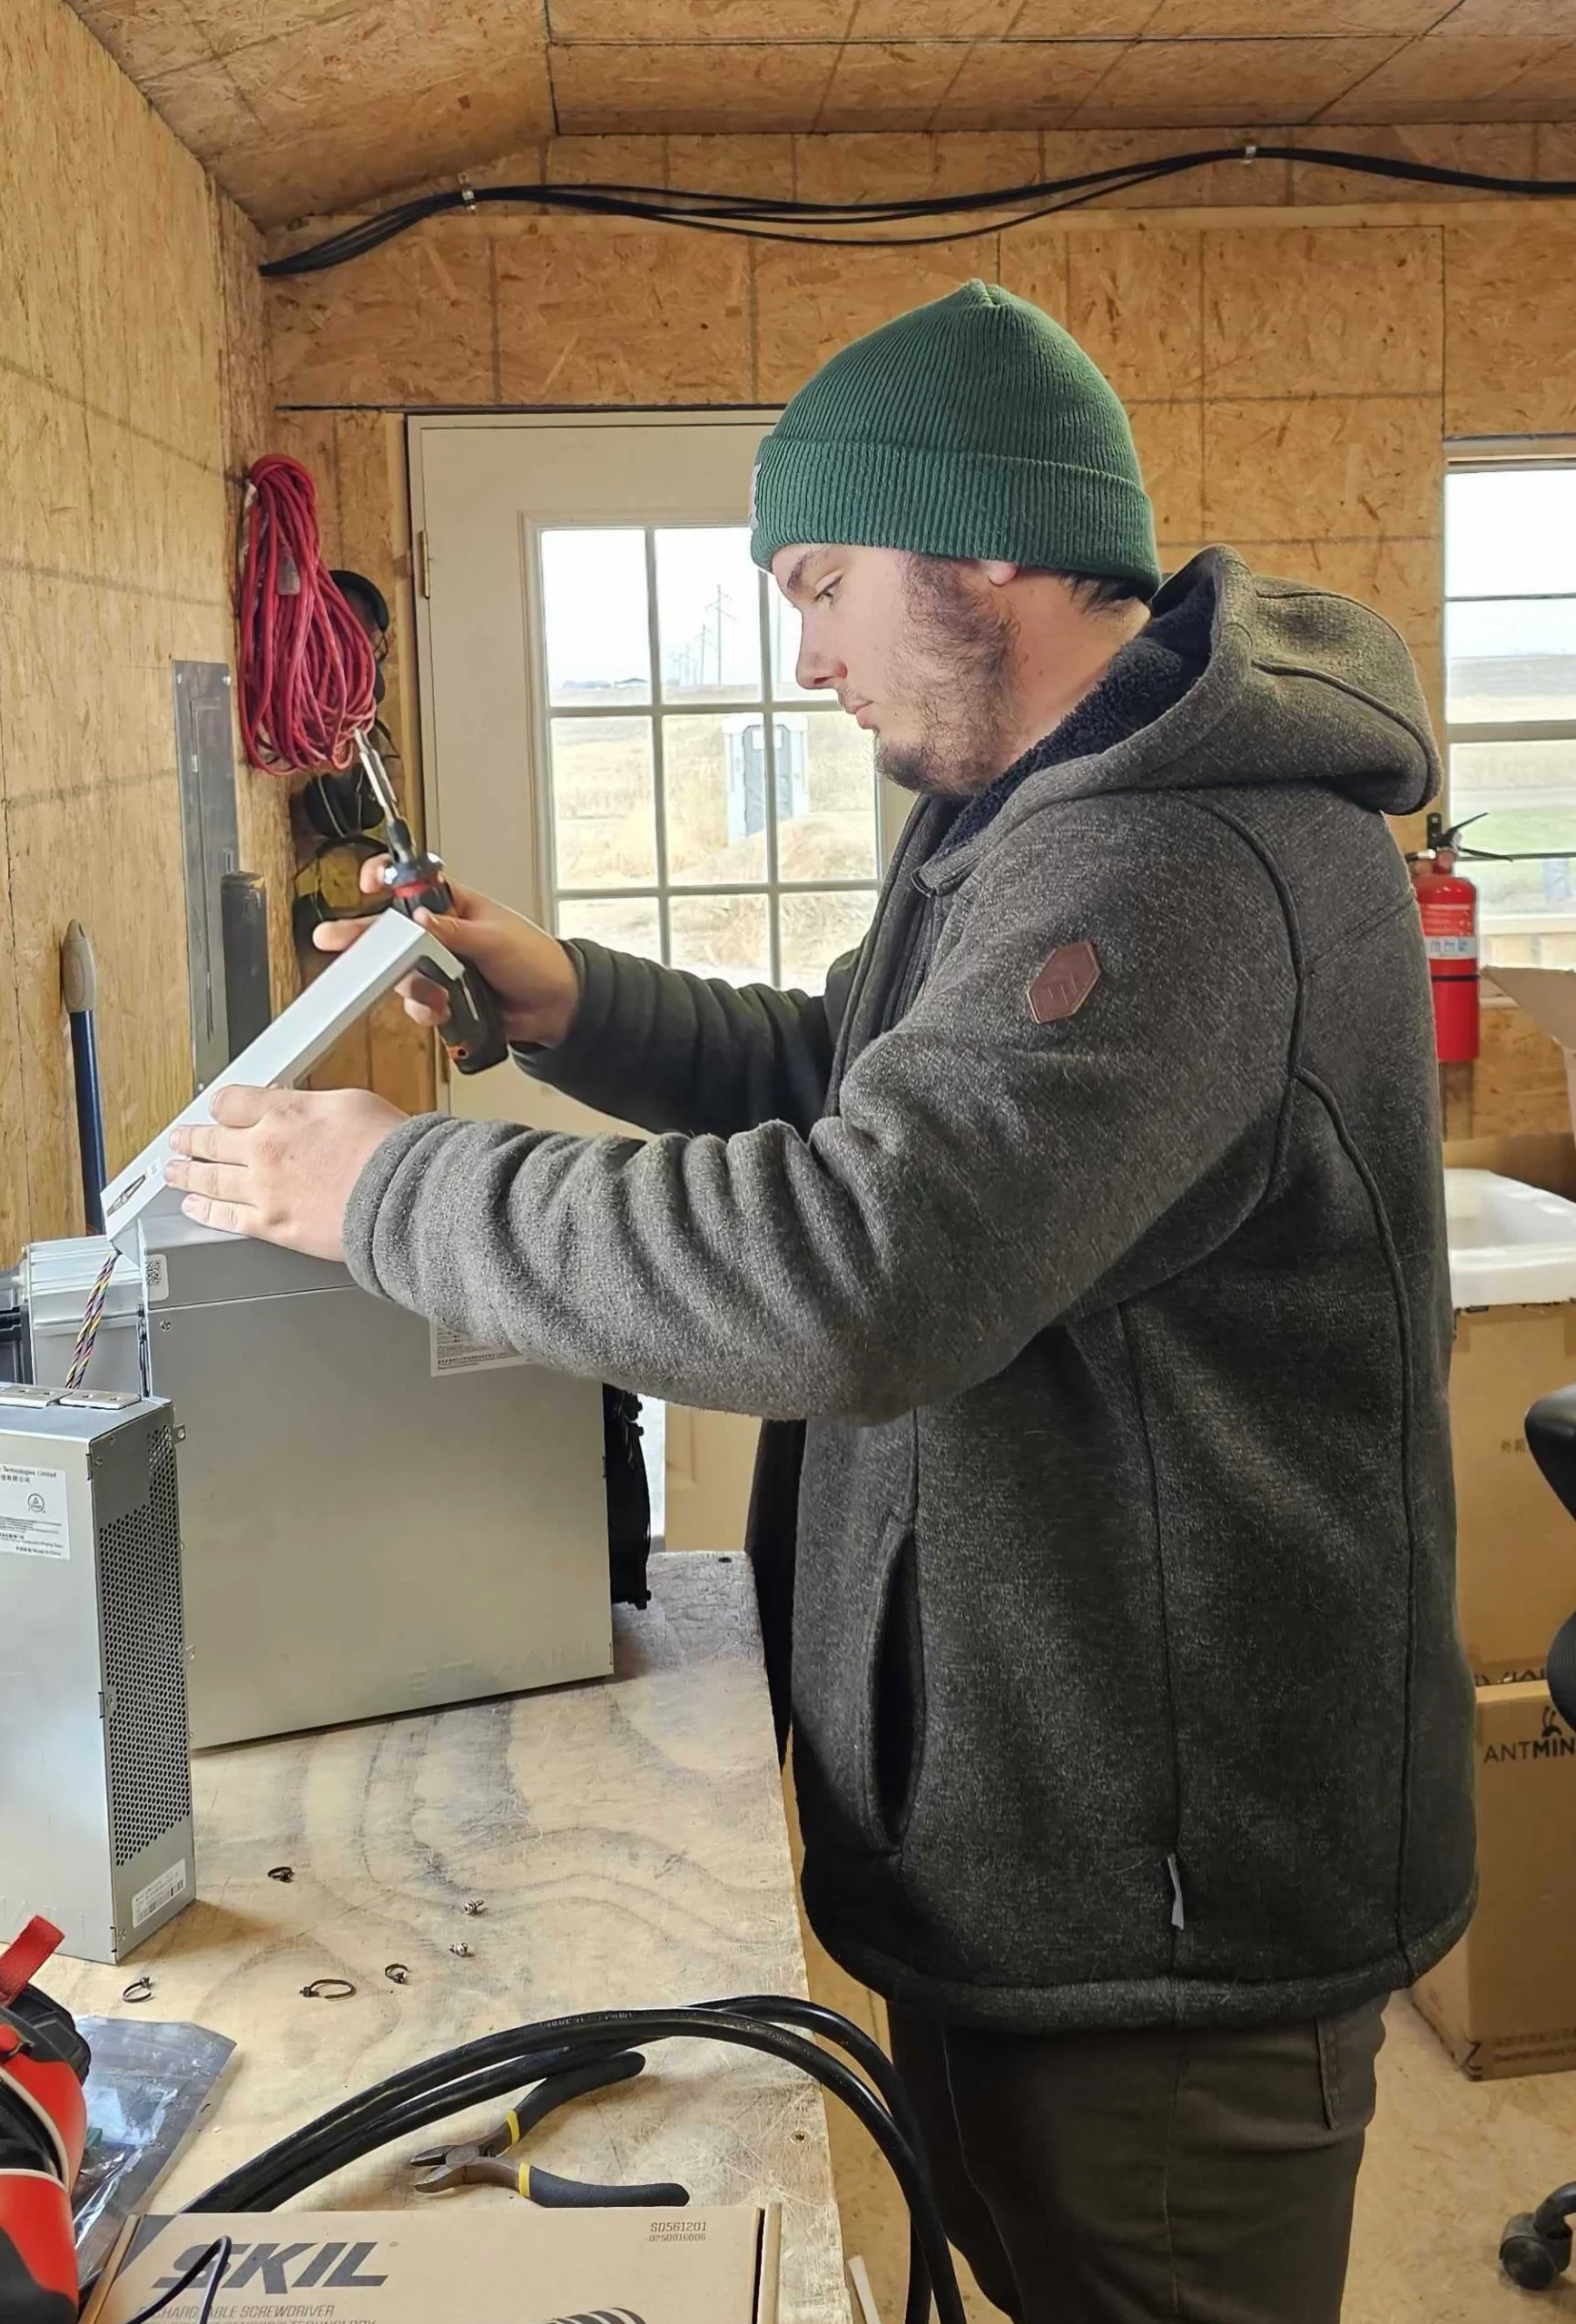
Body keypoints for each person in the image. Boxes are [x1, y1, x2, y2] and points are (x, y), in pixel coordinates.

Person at [163, 281, 1474, 2322]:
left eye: (820, 585)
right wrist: (571, 1000)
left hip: (1167, 1887)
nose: (805, 657)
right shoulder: (1019, 816)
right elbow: (861, 1082)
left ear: (982, 544)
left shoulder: (1181, 866)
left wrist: (385, 1188)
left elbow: (863, 1271)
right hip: (1046, 1830)